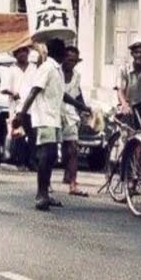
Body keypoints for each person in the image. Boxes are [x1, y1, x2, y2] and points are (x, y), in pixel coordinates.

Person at [12, 39, 91, 210]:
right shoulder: (47, 67)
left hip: (54, 118)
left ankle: (46, 193)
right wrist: (21, 113)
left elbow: (63, 95)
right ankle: (41, 194)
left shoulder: (57, 70)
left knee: (52, 156)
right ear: (61, 54)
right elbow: (34, 90)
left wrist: (82, 107)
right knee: (46, 155)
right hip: (44, 118)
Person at [61, 46, 89, 197]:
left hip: (70, 113)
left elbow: (77, 94)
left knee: (72, 148)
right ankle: (46, 183)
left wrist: (84, 109)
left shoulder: (77, 75)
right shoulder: (56, 72)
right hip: (55, 111)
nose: (71, 63)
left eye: (74, 61)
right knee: (51, 151)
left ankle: (73, 183)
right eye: (69, 59)